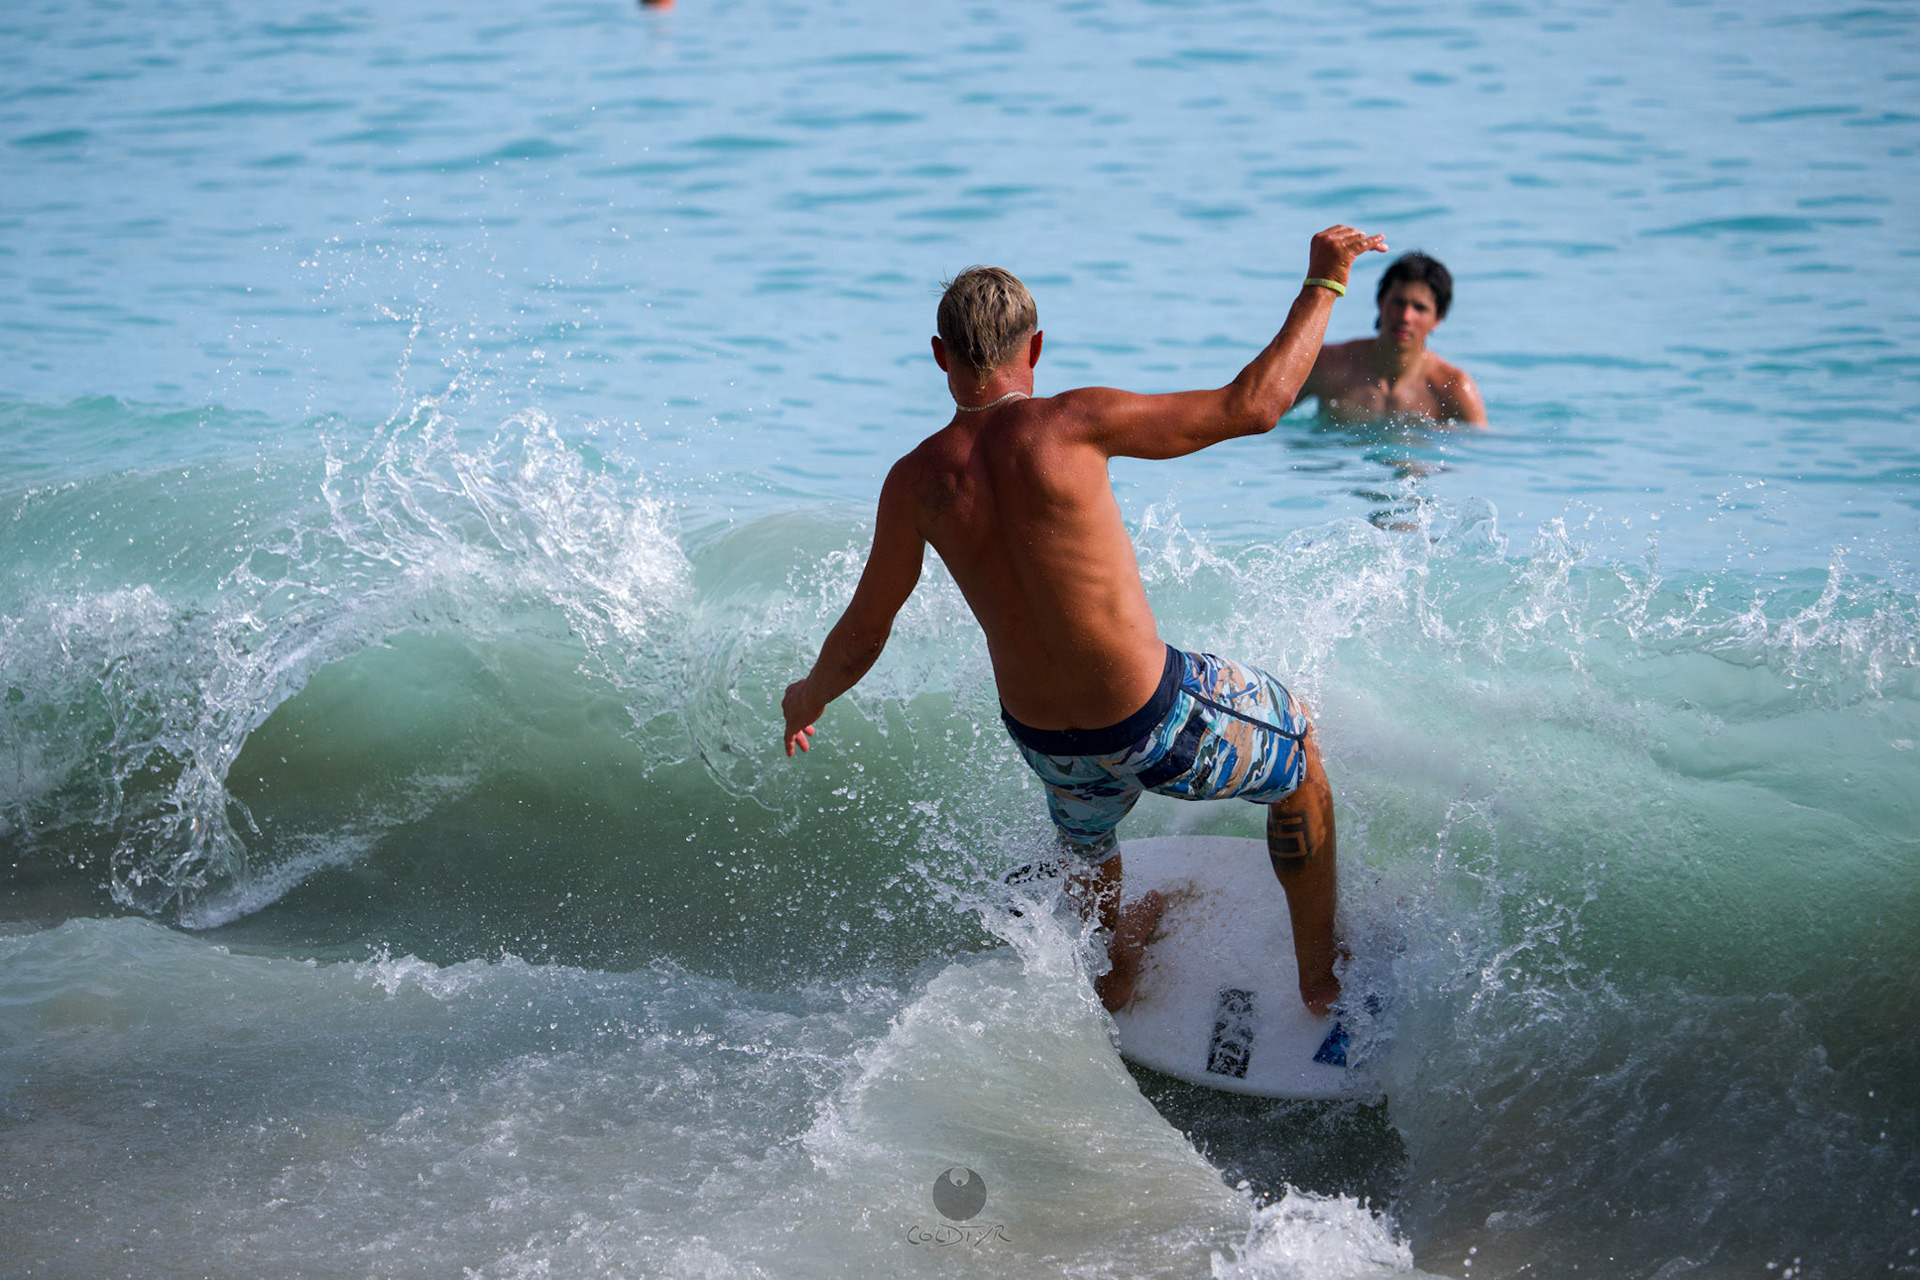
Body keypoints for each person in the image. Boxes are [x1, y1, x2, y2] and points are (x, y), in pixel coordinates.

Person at [780, 226, 1388, 1016]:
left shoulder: (914, 482)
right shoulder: (1071, 423)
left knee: (1089, 842)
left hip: (1048, 748)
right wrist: (1325, 283)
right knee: (1299, 757)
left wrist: (809, 698)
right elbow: (1256, 407)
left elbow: (865, 635)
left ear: (940, 356)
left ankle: (1115, 972)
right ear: (1036, 348)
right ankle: (1319, 979)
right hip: (1156, 720)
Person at [1301, 251, 1486, 428]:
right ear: (1381, 302)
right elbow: (1272, 409)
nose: (1405, 316)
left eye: (1419, 308)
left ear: (1438, 318)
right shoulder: (1329, 365)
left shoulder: (1451, 387)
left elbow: (1480, 447)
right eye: (1398, 302)